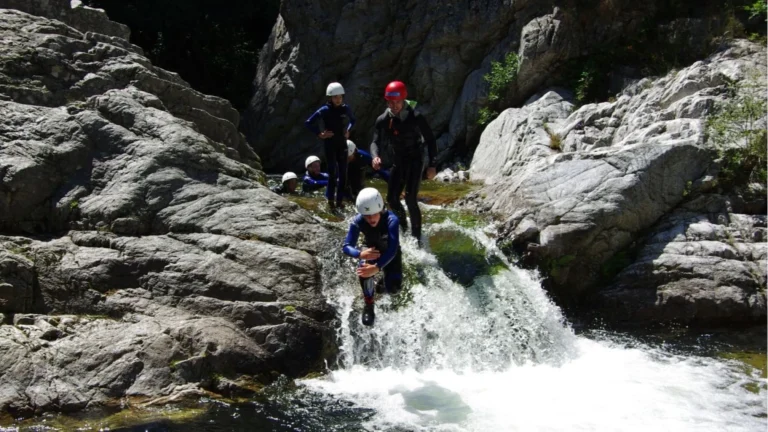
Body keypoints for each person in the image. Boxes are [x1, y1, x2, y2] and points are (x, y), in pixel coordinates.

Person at [370, 81, 437, 244]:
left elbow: (430, 139)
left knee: (410, 199)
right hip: (398, 161)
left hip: (416, 159)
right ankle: (404, 228)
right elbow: (375, 141)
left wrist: (432, 164)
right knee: (392, 199)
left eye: (397, 102)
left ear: (404, 100)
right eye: (390, 102)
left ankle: (416, 237)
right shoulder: (383, 119)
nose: (394, 106)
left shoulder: (416, 116)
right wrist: (375, 156)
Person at [342, 188, 402, 326]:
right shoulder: (358, 221)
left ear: (380, 209)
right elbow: (346, 246)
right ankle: (369, 304)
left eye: (373, 214)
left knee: (394, 289)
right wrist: (360, 254)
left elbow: (393, 249)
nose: (369, 219)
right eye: (365, 215)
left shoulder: (392, 220)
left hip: (390, 252)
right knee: (364, 269)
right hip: (371, 249)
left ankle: (380, 286)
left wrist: (377, 267)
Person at [304, 82, 356, 210]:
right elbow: (309, 122)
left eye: (340, 97)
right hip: (330, 145)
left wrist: (348, 130)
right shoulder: (324, 110)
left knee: (343, 174)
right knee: (332, 174)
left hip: (342, 145)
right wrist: (320, 134)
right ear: (330, 98)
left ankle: (339, 202)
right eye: (335, 97)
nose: (338, 100)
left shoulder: (346, 108)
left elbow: (353, 120)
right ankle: (331, 202)